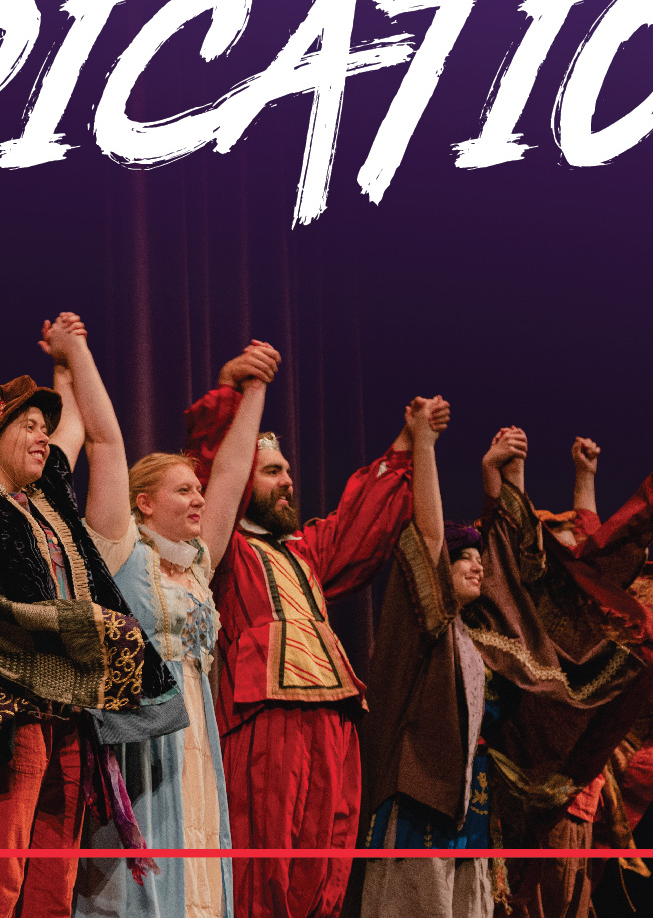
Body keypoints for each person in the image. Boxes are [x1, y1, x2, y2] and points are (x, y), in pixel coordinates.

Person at [183, 371, 431, 918]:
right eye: (272, 472)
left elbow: (359, 526)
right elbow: (208, 465)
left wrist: (407, 441)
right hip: (266, 714)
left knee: (324, 870)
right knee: (264, 864)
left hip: (335, 717)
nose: (289, 480)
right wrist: (235, 393)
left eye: (288, 470)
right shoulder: (219, 553)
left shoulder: (304, 551)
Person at [0, 314, 165, 918]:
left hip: (68, 709)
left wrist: (66, 368)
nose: (45, 437)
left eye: (48, 429)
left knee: (54, 876)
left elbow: (87, 435)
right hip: (9, 703)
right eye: (30, 427)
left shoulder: (49, 502)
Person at [470, 430, 653, 918]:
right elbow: (515, 548)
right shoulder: (529, 628)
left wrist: (585, 476)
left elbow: (595, 550)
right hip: (526, 788)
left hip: (576, 796)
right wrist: (505, 474)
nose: (576, 556)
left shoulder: (587, 629)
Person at [75, 340, 281, 918]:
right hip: (140, 734)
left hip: (195, 730)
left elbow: (234, 473)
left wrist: (256, 391)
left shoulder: (197, 562)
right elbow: (104, 442)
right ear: (143, 502)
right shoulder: (119, 549)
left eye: (198, 489)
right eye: (183, 489)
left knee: (197, 867)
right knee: (142, 875)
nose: (199, 498)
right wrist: (78, 354)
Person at [352, 397, 505, 918]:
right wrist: (424, 443)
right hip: (416, 802)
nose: (475, 567)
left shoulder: (468, 637)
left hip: (462, 811)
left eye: (479, 560)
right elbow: (430, 535)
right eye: (465, 559)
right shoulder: (423, 625)